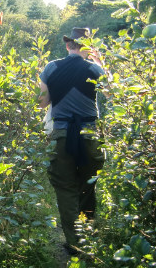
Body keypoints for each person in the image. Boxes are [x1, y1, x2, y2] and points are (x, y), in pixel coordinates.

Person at [38, 27, 106, 255]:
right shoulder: (94, 69)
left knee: (66, 189)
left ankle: (75, 244)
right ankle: (88, 235)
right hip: (90, 136)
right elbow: (115, 94)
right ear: (88, 47)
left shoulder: (51, 68)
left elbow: (41, 103)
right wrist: (101, 63)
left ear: (68, 45)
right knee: (87, 186)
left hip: (61, 135)